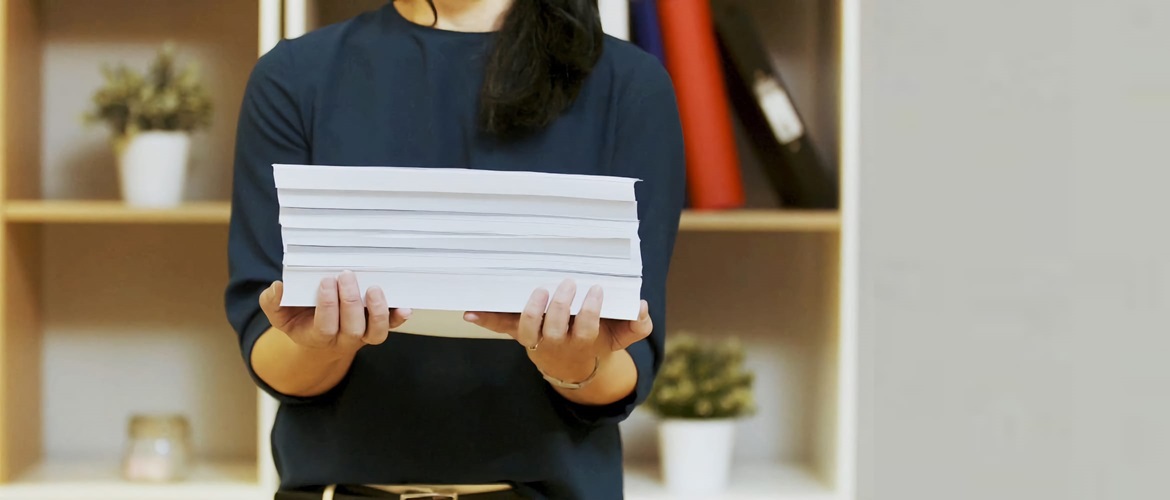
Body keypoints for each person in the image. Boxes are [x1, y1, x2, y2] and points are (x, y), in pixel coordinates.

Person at [224, 0, 685, 498]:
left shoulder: (629, 84)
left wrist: (572, 364)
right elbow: (266, 347)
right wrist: (326, 346)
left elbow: (630, 363)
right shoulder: (294, 77)